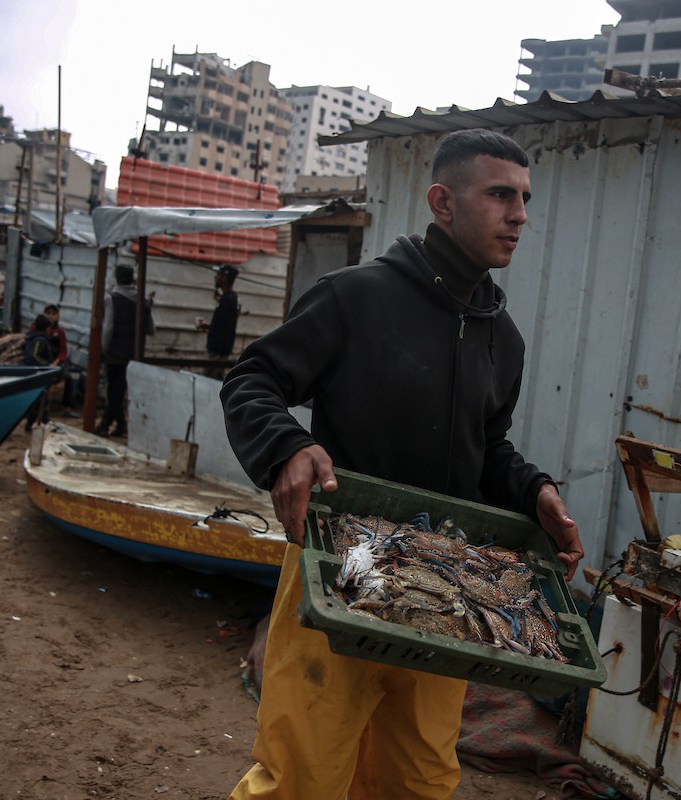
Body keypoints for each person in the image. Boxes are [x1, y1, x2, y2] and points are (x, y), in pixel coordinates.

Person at [219, 128, 584, 800]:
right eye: (501, 195)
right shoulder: (356, 297)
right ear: (443, 202)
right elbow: (252, 380)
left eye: (526, 198)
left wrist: (533, 491)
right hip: (340, 575)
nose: (520, 215)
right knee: (302, 778)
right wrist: (288, 447)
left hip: (442, 591)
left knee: (415, 782)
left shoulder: (505, 341)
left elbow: (489, 449)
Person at [96, 264, 153, 438]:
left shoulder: (112, 299)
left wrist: (103, 348)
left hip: (115, 351)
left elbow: (108, 327)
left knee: (115, 389)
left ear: (117, 278)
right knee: (118, 389)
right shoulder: (143, 300)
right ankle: (121, 425)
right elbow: (151, 329)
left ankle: (105, 424)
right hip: (134, 351)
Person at [196, 264, 240, 379]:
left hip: (216, 354)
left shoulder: (229, 300)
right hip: (215, 352)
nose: (215, 277)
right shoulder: (226, 298)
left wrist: (220, 354)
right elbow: (222, 325)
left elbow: (228, 328)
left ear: (224, 278)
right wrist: (210, 327)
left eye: (218, 275)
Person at [40, 304, 79, 415]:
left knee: (69, 378)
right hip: (40, 363)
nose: (51, 316)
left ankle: (66, 407)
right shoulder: (37, 328)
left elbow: (63, 352)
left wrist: (56, 362)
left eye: (54, 314)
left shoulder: (59, 332)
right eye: (48, 313)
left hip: (55, 363)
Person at [23, 313, 55, 431]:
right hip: (38, 375)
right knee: (40, 400)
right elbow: (34, 357)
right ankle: (39, 422)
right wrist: (48, 366)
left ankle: (41, 421)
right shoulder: (39, 340)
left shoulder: (33, 338)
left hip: (37, 374)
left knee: (41, 400)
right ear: (47, 328)